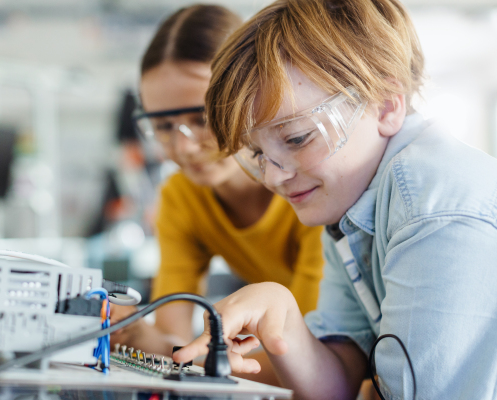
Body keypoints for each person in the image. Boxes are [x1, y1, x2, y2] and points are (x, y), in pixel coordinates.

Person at [173, 0, 497, 399]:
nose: (274, 177)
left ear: (385, 104)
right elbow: (338, 383)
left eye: (296, 138)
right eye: (258, 155)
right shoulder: (350, 206)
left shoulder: (431, 210)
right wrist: (282, 311)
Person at [111, 4, 325, 383]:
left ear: (250, 96)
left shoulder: (309, 184)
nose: (184, 147)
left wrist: (189, 360)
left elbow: (310, 359)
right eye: (162, 126)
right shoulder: (182, 195)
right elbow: (175, 335)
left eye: (202, 118)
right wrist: (140, 336)